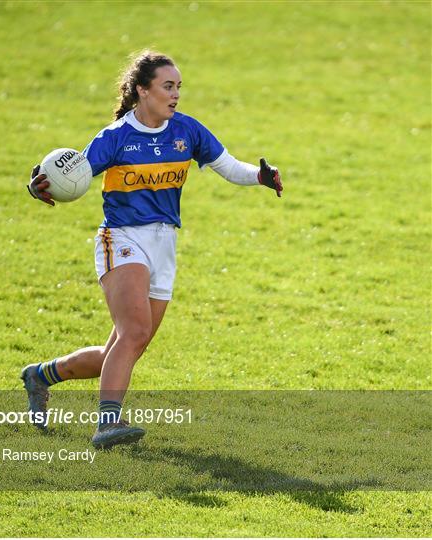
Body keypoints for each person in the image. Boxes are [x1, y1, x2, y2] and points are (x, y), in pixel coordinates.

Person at [23, 50, 283, 450]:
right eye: (168, 86)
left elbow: (229, 166)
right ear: (142, 90)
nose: (176, 94)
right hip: (122, 239)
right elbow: (72, 174)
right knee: (135, 331)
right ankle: (108, 423)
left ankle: (42, 375)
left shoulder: (187, 131)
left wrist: (261, 176)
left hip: (165, 245)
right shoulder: (115, 138)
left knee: (126, 347)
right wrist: (40, 183)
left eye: (178, 86)